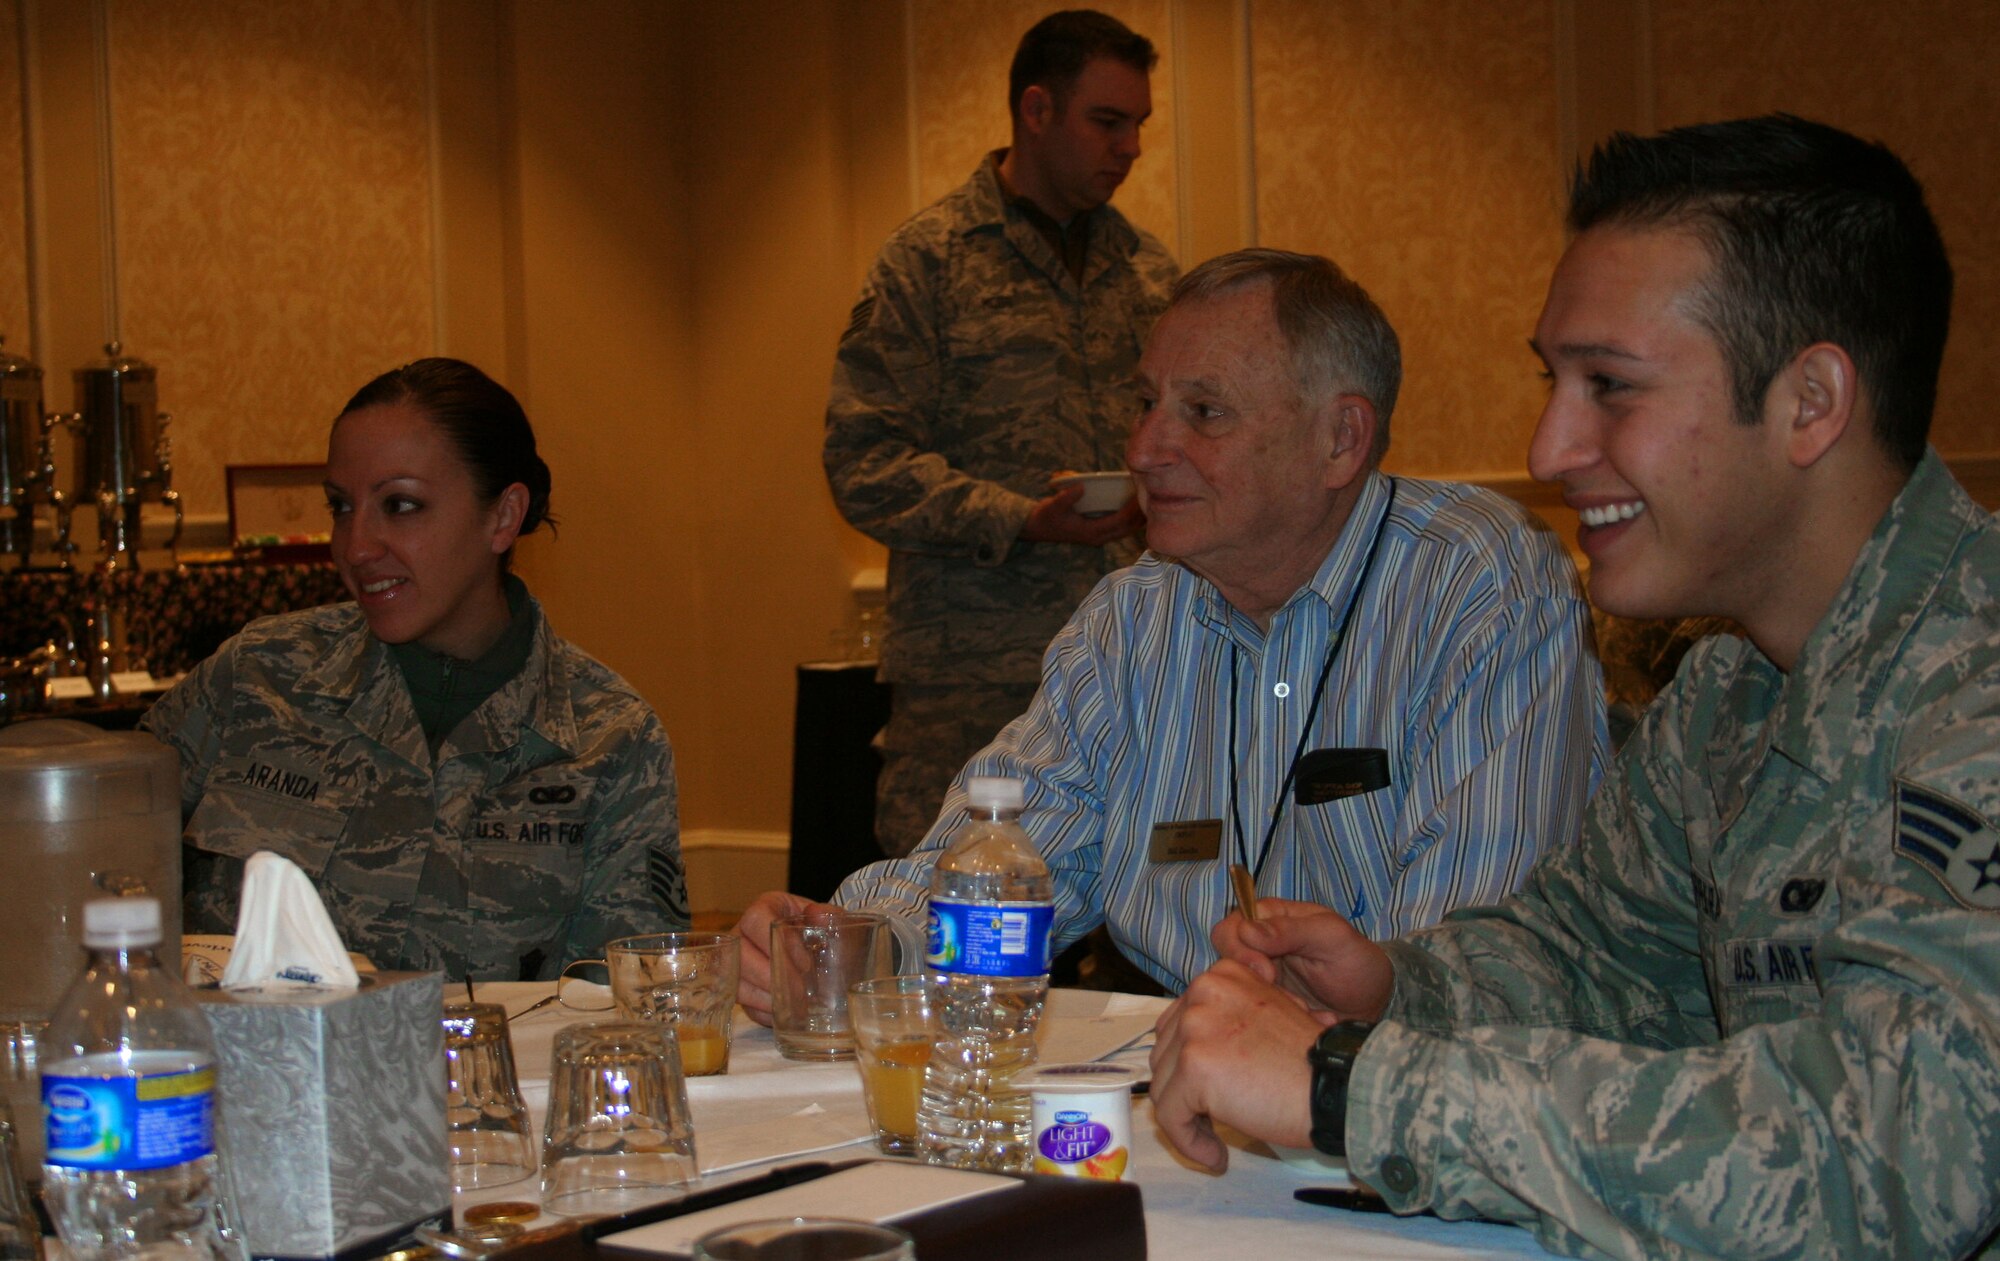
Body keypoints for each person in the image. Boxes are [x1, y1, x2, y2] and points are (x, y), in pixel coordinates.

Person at [1148, 116, 2000, 1259]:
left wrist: (1353, 1085)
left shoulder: (1975, 690)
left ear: (1809, 402)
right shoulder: (1727, 695)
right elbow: (1597, 955)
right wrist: (1395, 987)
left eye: (1609, 385)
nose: (1548, 446)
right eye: (1554, 380)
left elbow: (1891, 1159)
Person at [738, 248, 1607, 1018]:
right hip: (1197, 1089)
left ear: (1341, 439)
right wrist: (858, 942)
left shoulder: (1477, 583)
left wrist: (1350, 1020)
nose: (1147, 448)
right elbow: (1011, 858)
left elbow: (1481, 956)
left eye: (1204, 412)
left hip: (1406, 1106)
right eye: (1147, 402)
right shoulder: (1132, 617)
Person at [143, 358, 686, 981]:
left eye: (401, 505)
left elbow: (629, 1009)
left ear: (503, 517)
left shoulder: (609, 738)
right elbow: (94, 859)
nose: (356, 546)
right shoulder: (258, 678)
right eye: (341, 507)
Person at [824, 9, 1178, 858]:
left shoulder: (1152, 274)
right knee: (960, 930)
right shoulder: (929, 263)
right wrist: (1019, 516)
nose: (1129, 146)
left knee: (1154, 927)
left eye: (1139, 125)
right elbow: (862, 462)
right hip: (974, 681)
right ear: (1036, 109)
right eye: (1107, 121)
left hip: (1131, 664)